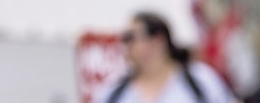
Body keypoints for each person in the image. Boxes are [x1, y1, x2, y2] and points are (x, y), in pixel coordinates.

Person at [94, 11, 236, 103]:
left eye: (130, 37)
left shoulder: (200, 80)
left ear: (158, 41)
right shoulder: (114, 93)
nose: (125, 44)